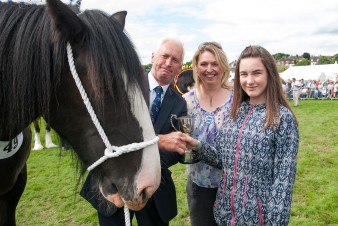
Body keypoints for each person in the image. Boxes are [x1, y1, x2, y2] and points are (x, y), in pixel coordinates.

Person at [182, 45, 299, 226]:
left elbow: (283, 181)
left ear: (270, 74)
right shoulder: (235, 112)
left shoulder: (282, 118)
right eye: (244, 74)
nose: (249, 80)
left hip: (259, 219)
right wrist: (196, 145)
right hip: (224, 214)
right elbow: (222, 160)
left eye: (257, 73)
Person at [80, 38, 188, 226]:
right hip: (112, 183)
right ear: (153, 56)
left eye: (175, 60)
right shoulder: (120, 85)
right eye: (165, 56)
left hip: (154, 190)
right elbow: (97, 130)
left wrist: (148, 164)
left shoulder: (179, 104)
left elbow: (175, 152)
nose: (169, 63)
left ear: (180, 67)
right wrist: (157, 141)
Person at [182, 41, 233, 226]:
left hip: (233, 184)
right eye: (204, 64)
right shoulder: (185, 101)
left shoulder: (238, 98)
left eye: (215, 63)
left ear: (223, 65)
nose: (209, 69)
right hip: (199, 184)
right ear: (196, 67)